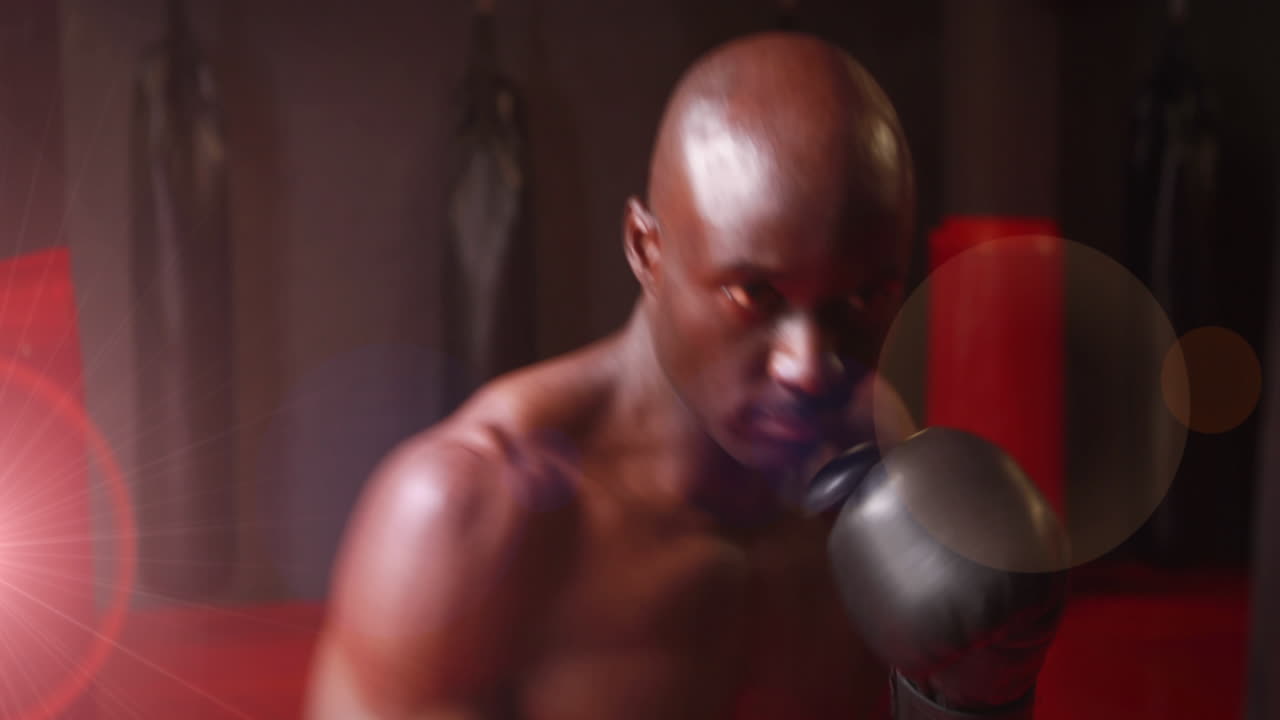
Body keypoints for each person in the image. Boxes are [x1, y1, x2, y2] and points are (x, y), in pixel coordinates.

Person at [306, 32, 1058, 719]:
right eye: (752, 294)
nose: (807, 365)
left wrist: (978, 699)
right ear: (646, 249)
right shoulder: (468, 517)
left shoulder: (878, 457)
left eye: (862, 297)